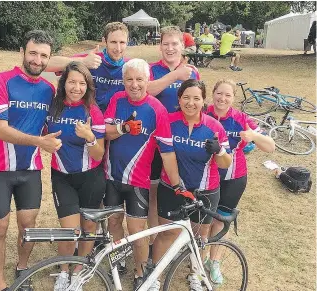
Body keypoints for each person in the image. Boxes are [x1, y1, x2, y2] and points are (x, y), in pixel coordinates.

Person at [0, 30, 62, 291]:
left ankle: (22, 269)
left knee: (28, 226)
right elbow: (0, 130)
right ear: (22, 52)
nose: (37, 60)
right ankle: (0, 285)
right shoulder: (0, 81)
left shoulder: (49, 90)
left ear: (49, 59)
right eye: (33, 53)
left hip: (29, 170)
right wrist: (40, 142)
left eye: (43, 55)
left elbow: (50, 127)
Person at [103, 58, 194, 290]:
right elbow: (106, 133)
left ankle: (141, 272)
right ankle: (119, 257)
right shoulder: (116, 99)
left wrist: (177, 185)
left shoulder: (157, 109)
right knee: (114, 222)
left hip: (138, 182)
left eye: (139, 79)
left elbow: (167, 153)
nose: (134, 85)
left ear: (148, 80)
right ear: (123, 81)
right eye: (129, 80)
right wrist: (123, 128)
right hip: (111, 177)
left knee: (136, 231)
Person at [149, 79, 232, 291]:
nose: (191, 102)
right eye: (186, 97)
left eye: (196, 98)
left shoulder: (214, 127)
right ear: (179, 99)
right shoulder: (169, 121)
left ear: (204, 101)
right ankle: (154, 275)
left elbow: (225, 163)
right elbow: (165, 156)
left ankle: (196, 274)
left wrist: (219, 151)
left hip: (205, 190)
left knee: (200, 236)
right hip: (172, 187)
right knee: (167, 233)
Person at [205, 79, 275, 285]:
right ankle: (196, 259)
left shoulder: (240, 118)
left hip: (233, 178)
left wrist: (253, 135)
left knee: (220, 221)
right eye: (219, 93)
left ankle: (214, 261)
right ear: (213, 93)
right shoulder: (204, 113)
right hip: (205, 177)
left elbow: (270, 147)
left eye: (228, 95)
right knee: (201, 221)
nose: (222, 98)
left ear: (234, 98)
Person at [46, 62, 106, 291]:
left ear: (88, 87)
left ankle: (79, 270)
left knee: (88, 227)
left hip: (90, 177)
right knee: (69, 231)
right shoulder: (53, 107)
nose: (76, 87)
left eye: (82, 83)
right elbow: (43, 136)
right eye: (72, 82)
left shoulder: (93, 111)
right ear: (64, 84)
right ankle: (63, 270)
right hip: (62, 177)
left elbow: (99, 154)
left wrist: (90, 136)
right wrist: (45, 144)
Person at [146, 25, 200, 251]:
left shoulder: (193, 72)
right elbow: (147, 90)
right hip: (153, 141)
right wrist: (175, 75)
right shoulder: (151, 69)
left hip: (180, 143)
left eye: (174, 44)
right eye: (166, 44)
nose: (170, 48)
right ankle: (153, 239)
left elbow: (197, 102)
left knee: (178, 187)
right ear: (160, 46)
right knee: (153, 190)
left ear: (182, 46)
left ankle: (173, 236)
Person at [47, 22, 129, 113]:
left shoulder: (130, 66)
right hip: (86, 116)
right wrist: (83, 61)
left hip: (113, 121)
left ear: (127, 42)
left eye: (122, 42)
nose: (118, 48)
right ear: (104, 41)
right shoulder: (92, 59)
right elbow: (46, 64)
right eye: (113, 42)